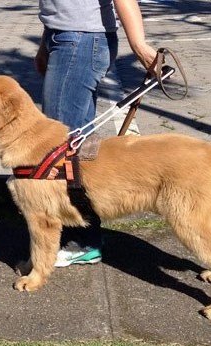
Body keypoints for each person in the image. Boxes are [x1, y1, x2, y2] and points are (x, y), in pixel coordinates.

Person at [34, 0, 158, 267]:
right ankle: (85, 234)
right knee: (74, 142)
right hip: (66, 36)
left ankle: (82, 239)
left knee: (64, 148)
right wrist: (46, 42)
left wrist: (138, 44)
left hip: (80, 41)